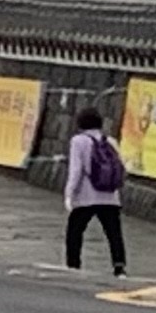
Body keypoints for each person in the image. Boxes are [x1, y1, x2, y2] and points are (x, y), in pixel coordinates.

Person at [62, 108, 127, 275]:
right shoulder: (111, 141)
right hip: (110, 196)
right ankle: (119, 266)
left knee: (75, 231)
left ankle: (73, 264)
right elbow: (120, 166)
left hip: (86, 196)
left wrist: (69, 194)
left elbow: (76, 171)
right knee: (114, 233)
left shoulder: (79, 141)